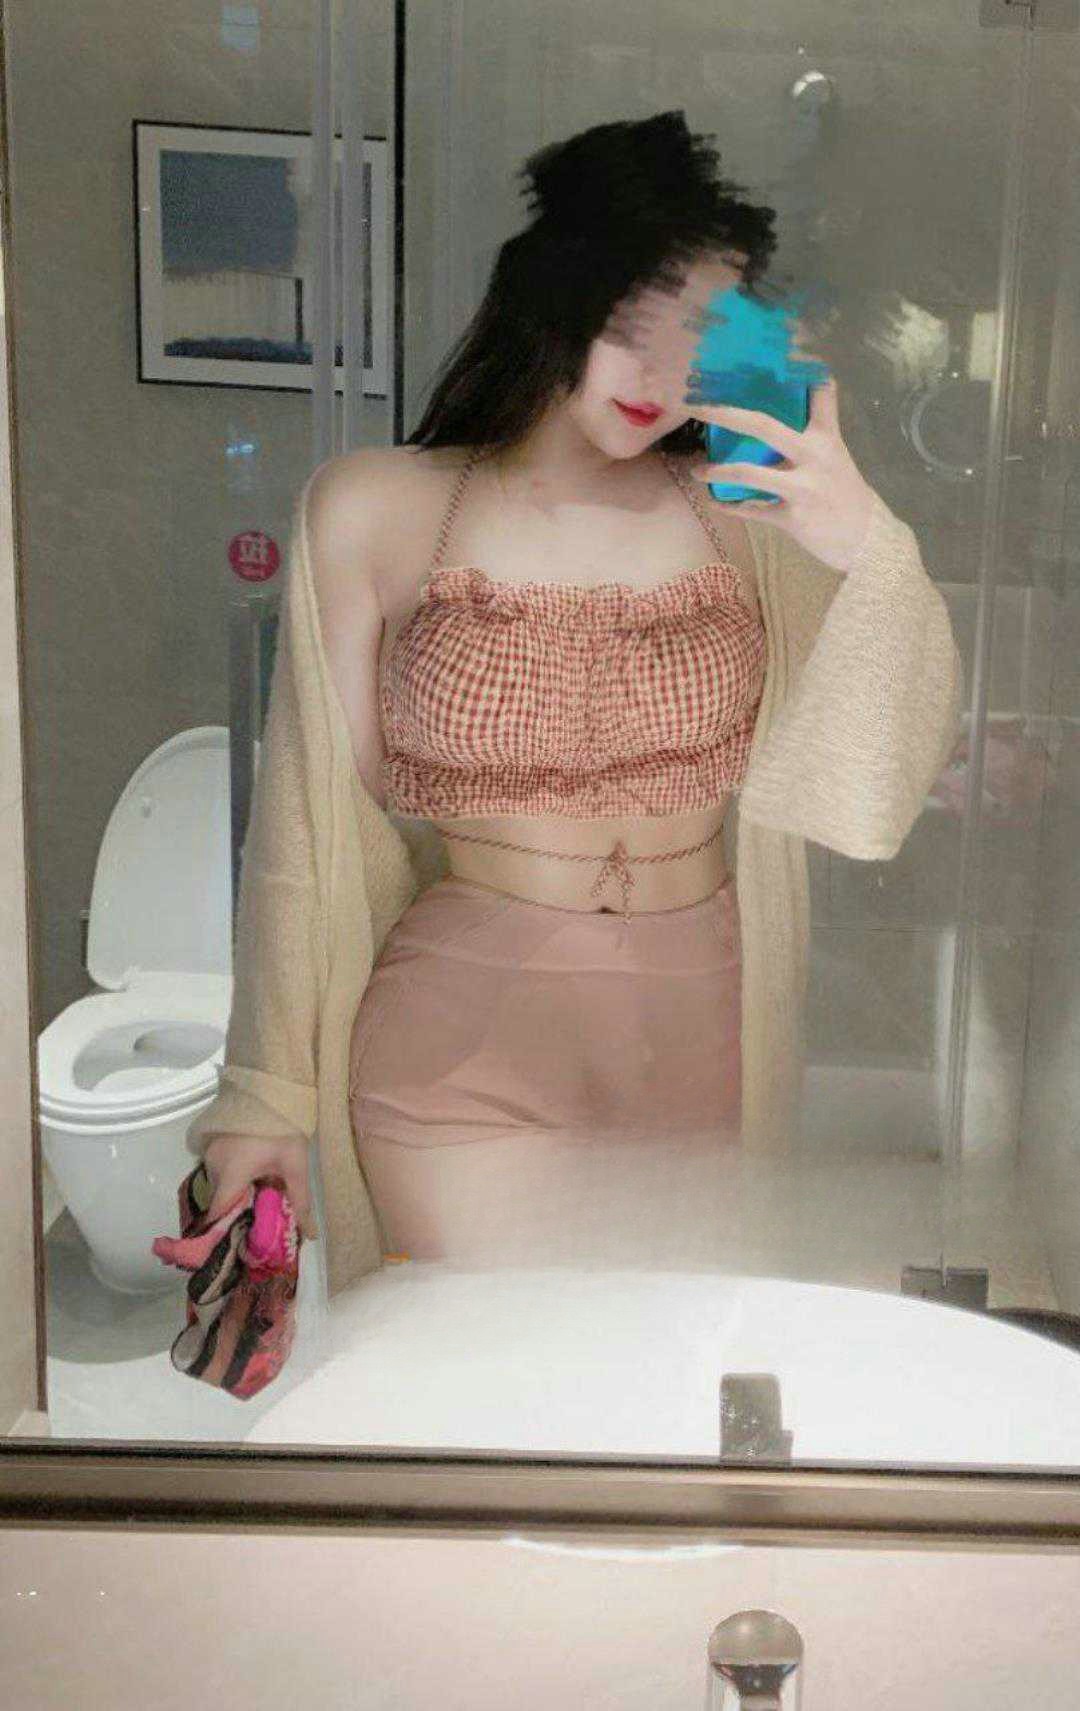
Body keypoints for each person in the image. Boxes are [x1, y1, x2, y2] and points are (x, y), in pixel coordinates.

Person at [188, 112, 963, 1293]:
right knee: (499, 1374)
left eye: (697, 337)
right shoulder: (376, 507)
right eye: (629, 327)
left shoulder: (747, 522)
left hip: (708, 1031)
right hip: (465, 1037)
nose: (658, 377)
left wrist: (866, 544)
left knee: (663, 1376)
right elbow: (306, 829)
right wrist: (265, 1093)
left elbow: (873, 786)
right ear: (551, 301)